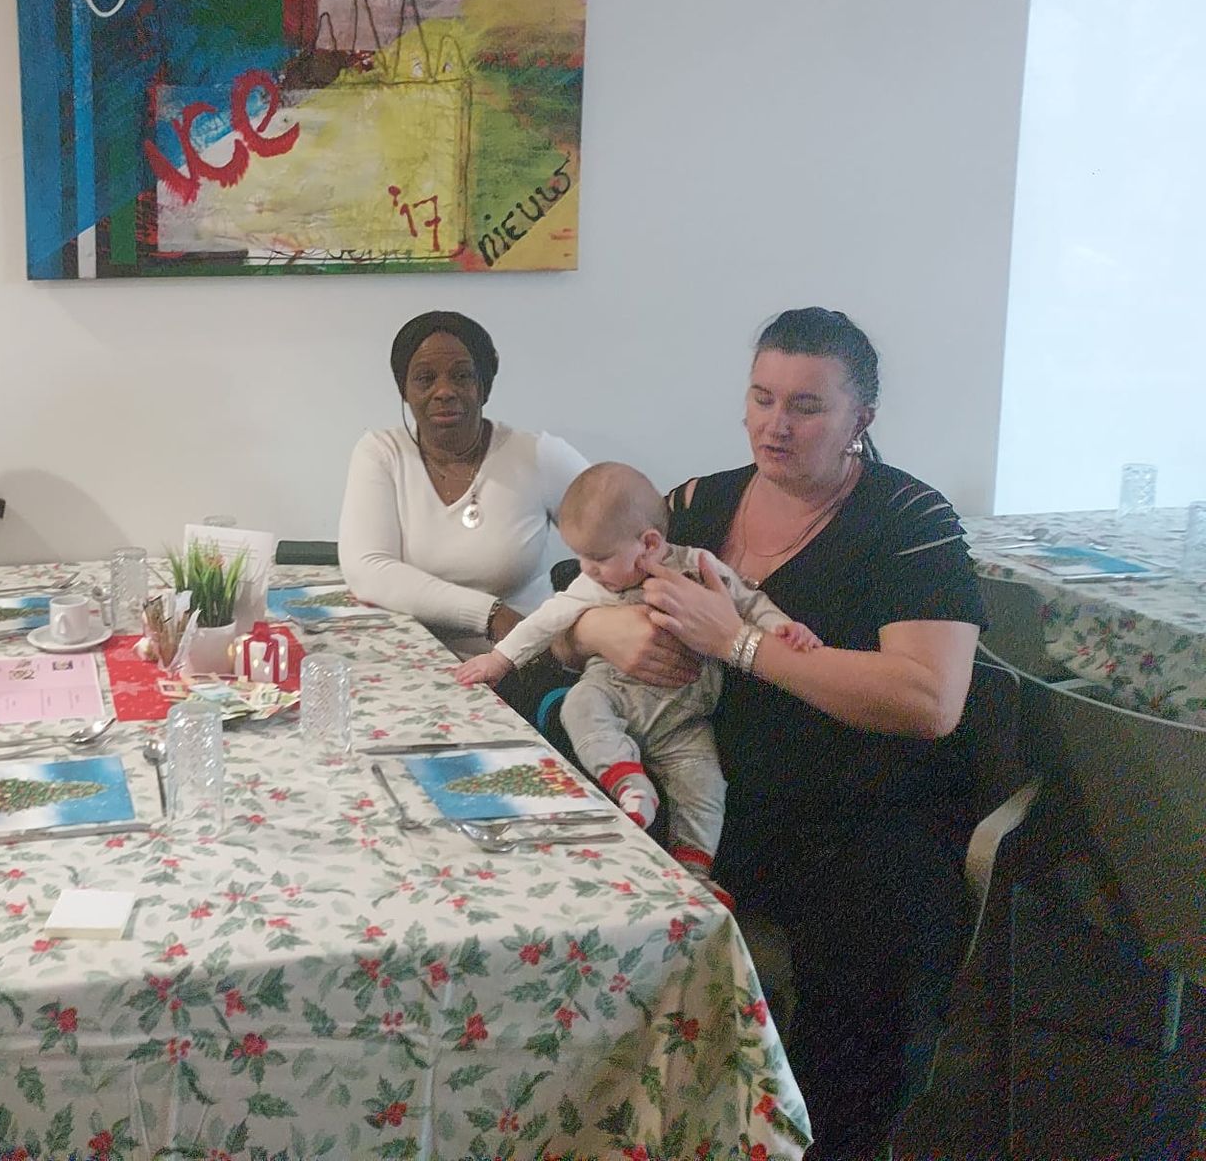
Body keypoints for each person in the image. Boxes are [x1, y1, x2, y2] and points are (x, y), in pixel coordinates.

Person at [558, 308, 985, 1160]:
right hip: (697, 794)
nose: (775, 425)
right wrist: (598, 631)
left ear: (861, 419)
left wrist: (741, 645)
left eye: (806, 406)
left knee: (862, 980)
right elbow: (574, 605)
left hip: (851, 825)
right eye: (762, 398)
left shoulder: (907, 520)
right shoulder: (694, 504)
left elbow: (930, 699)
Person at [456, 462, 819, 899]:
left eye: (598, 559)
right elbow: (546, 621)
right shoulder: (596, 587)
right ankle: (628, 781)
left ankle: (695, 871)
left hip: (683, 717)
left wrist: (783, 627)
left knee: (705, 785)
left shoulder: (699, 569)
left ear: (649, 544)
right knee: (579, 705)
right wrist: (499, 660)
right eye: (581, 557)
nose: (587, 570)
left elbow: (750, 603)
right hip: (614, 693)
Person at [338, 310, 589, 693]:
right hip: (407, 671)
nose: (444, 391)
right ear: (404, 390)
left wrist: (589, 623)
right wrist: (490, 614)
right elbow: (368, 570)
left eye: (462, 376)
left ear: (484, 387)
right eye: (425, 378)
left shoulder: (537, 456)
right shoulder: (381, 453)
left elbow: (624, 536)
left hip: (521, 670)